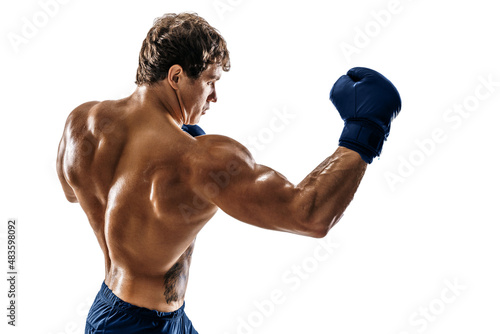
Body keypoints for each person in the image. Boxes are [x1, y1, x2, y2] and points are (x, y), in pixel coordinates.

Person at [56, 12, 401, 334]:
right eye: (209, 82)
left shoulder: (82, 124)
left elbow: (73, 191)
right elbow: (309, 215)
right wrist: (363, 131)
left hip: (107, 311)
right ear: (176, 76)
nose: (215, 97)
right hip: (148, 325)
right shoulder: (199, 160)